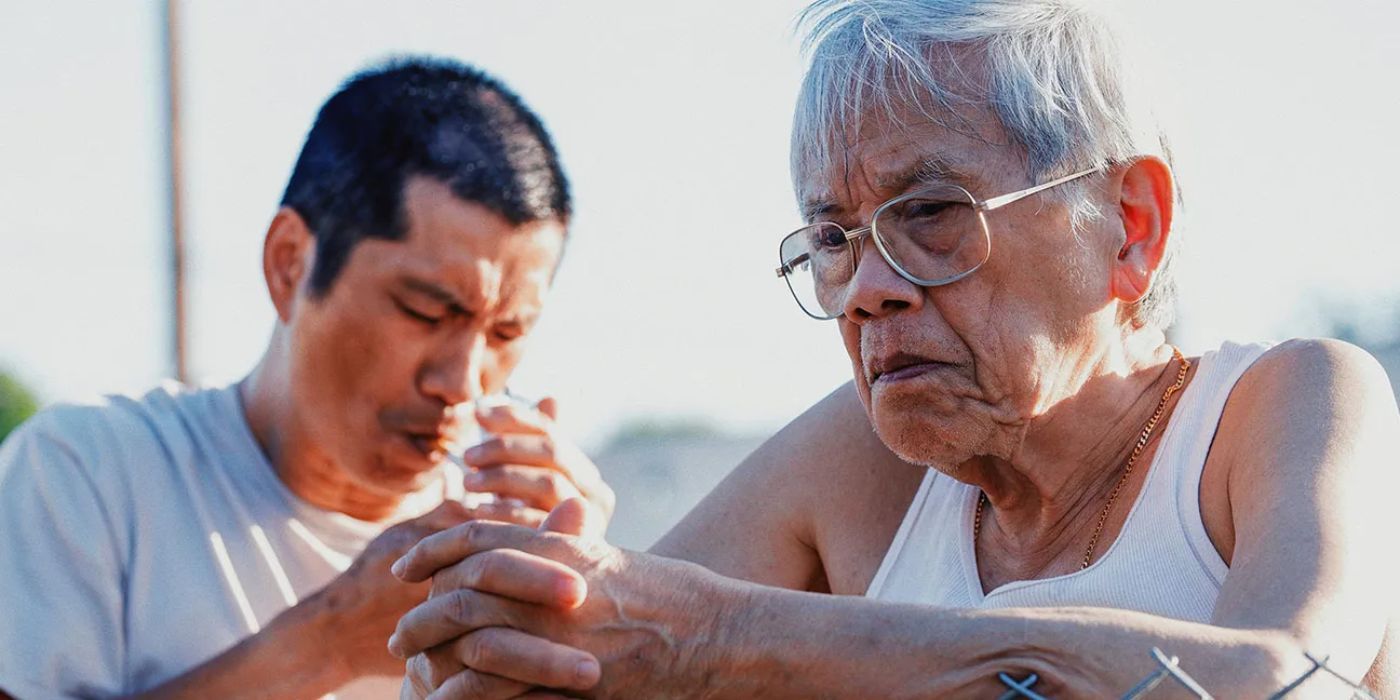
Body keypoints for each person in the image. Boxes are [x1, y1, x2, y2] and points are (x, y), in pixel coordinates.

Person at [388, 1, 1400, 697]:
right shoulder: (870, 458)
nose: (868, 290)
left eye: (929, 213)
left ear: (1127, 223)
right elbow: (622, 635)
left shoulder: (1283, 403)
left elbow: (1279, 680)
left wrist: (724, 640)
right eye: (832, 239)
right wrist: (521, 613)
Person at [0, 57, 614, 700]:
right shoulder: (87, 475)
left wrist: (592, 623)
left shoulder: (508, 538)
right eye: (425, 310)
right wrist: (328, 642)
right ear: (289, 264)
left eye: (506, 333)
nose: (461, 382)